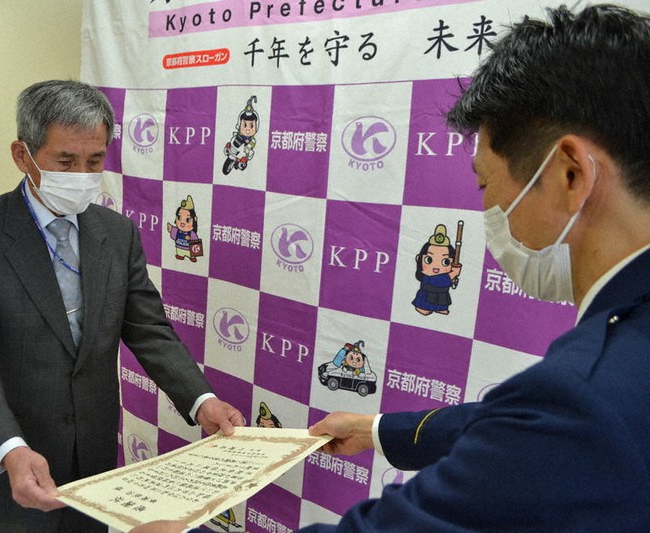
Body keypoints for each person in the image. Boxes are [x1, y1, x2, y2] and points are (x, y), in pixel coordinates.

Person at [133, 4, 650, 531]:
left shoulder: (585, 393)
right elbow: (518, 426)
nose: (489, 210)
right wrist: (377, 431)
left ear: (569, 174)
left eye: (485, 184)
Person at [0, 79, 244, 533]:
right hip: (15, 458)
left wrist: (201, 401)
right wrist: (10, 448)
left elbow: (149, 329)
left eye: (94, 161)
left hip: (95, 462)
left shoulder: (116, 234)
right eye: (65, 162)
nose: (81, 175)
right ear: (22, 155)